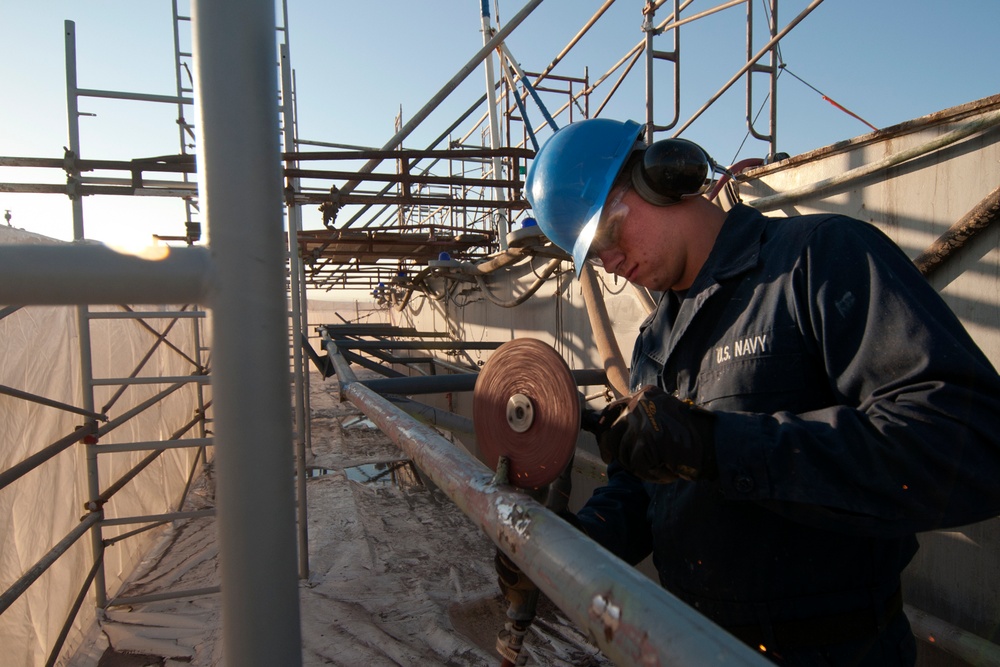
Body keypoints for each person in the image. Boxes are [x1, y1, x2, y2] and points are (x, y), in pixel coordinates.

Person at [524, 118, 1000, 666]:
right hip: (691, 646)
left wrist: (721, 447)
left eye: (607, 235)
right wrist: (579, 542)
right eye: (593, 256)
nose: (610, 262)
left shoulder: (818, 260)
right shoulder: (654, 343)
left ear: (663, 176)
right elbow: (644, 488)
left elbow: (969, 442)